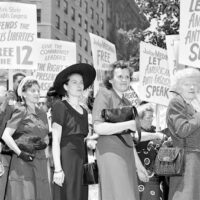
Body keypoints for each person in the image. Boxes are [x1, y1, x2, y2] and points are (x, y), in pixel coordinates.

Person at [92, 60, 149, 200]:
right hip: (110, 153)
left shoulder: (127, 103)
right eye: (120, 76)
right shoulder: (104, 93)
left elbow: (128, 139)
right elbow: (98, 127)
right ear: (110, 79)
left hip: (127, 155)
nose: (124, 80)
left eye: (127, 77)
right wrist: (128, 124)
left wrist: (139, 166)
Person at [1, 76, 52, 200]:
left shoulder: (42, 113)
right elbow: (6, 136)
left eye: (38, 90)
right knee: (25, 195)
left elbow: (46, 136)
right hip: (23, 162)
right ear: (23, 93)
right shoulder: (21, 111)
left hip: (40, 161)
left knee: (41, 195)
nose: (37, 93)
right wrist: (20, 153)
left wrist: (45, 142)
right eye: (32, 90)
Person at [51, 63, 96, 200]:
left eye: (81, 82)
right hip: (66, 159)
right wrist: (58, 169)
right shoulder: (60, 106)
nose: (79, 85)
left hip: (83, 160)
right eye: (74, 82)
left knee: (81, 195)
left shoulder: (84, 110)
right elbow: (56, 140)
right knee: (68, 194)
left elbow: (83, 139)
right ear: (66, 86)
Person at [166, 68, 200, 200]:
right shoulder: (177, 102)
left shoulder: (190, 106)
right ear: (178, 87)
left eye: (195, 84)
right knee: (185, 195)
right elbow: (182, 130)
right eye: (187, 84)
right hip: (187, 158)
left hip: (193, 157)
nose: (192, 87)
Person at [0, 73, 25, 200]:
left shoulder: (25, 102)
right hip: (5, 153)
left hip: (19, 154)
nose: (21, 83)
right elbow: (1, 125)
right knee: (2, 188)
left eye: (24, 81)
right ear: (13, 82)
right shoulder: (8, 100)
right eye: (19, 81)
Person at [136, 103, 168, 200]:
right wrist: (156, 135)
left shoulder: (153, 130)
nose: (152, 119)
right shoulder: (134, 132)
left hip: (154, 179)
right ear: (139, 119)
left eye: (152, 116)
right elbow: (136, 137)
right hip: (140, 177)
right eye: (148, 117)